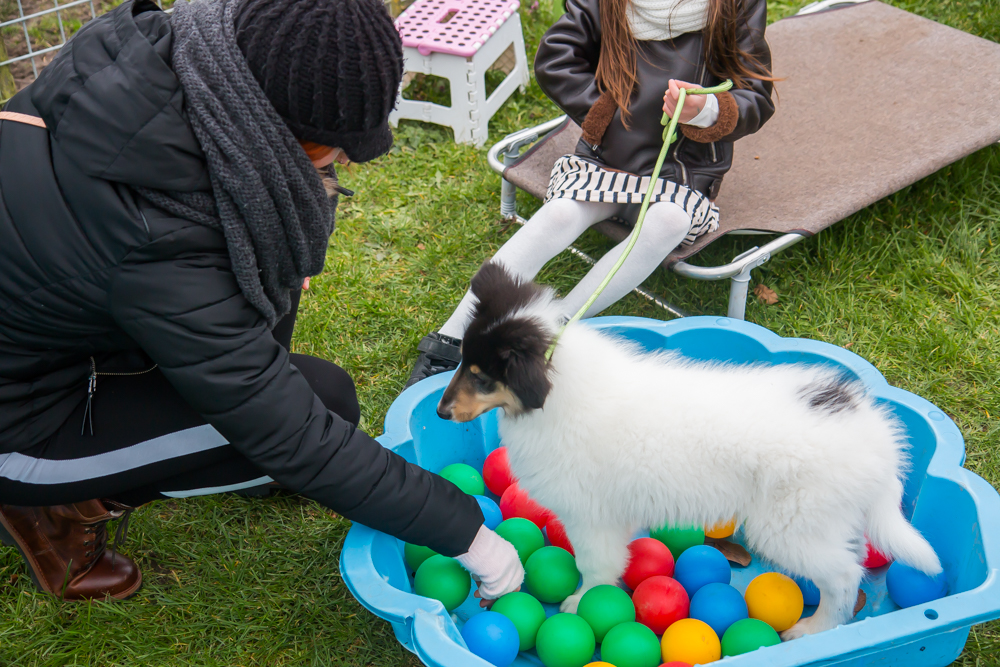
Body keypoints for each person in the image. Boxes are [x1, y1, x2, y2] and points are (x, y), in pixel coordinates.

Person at [0, 0, 522, 602]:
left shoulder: (172, 56)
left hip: (62, 334)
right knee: (299, 425)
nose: (348, 160)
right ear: (271, 128)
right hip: (21, 425)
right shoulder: (159, 236)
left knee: (326, 400)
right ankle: (52, 509)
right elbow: (289, 436)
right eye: (333, 147)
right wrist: (468, 534)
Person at [407, 0, 776, 386]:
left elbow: (757, 93)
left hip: (684, 170)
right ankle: (452, 335)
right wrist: (607, 117)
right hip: (607, 156)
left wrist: (706, 111)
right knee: (560, 214)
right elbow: (555, 59)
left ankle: (555, 331)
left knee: (669, 220)